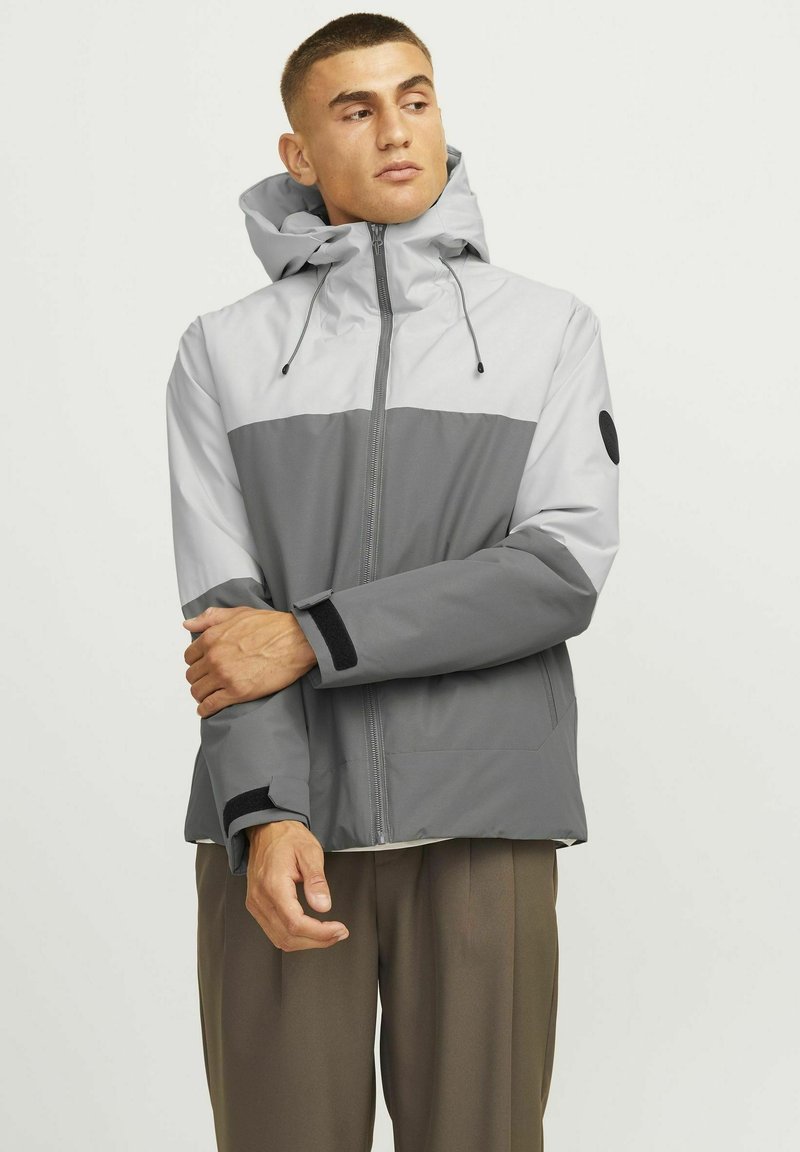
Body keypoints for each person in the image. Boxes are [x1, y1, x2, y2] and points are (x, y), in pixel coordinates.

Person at [165, 12, 620, 1152]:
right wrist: (265, 815)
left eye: (415, 100)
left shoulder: (548, 332)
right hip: (287, 824)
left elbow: (557, 574)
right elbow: (226, 625)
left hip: (480, 817)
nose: (397, 130)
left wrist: (313, 633)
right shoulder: (221, 350)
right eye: (356, 109)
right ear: (299, 152)